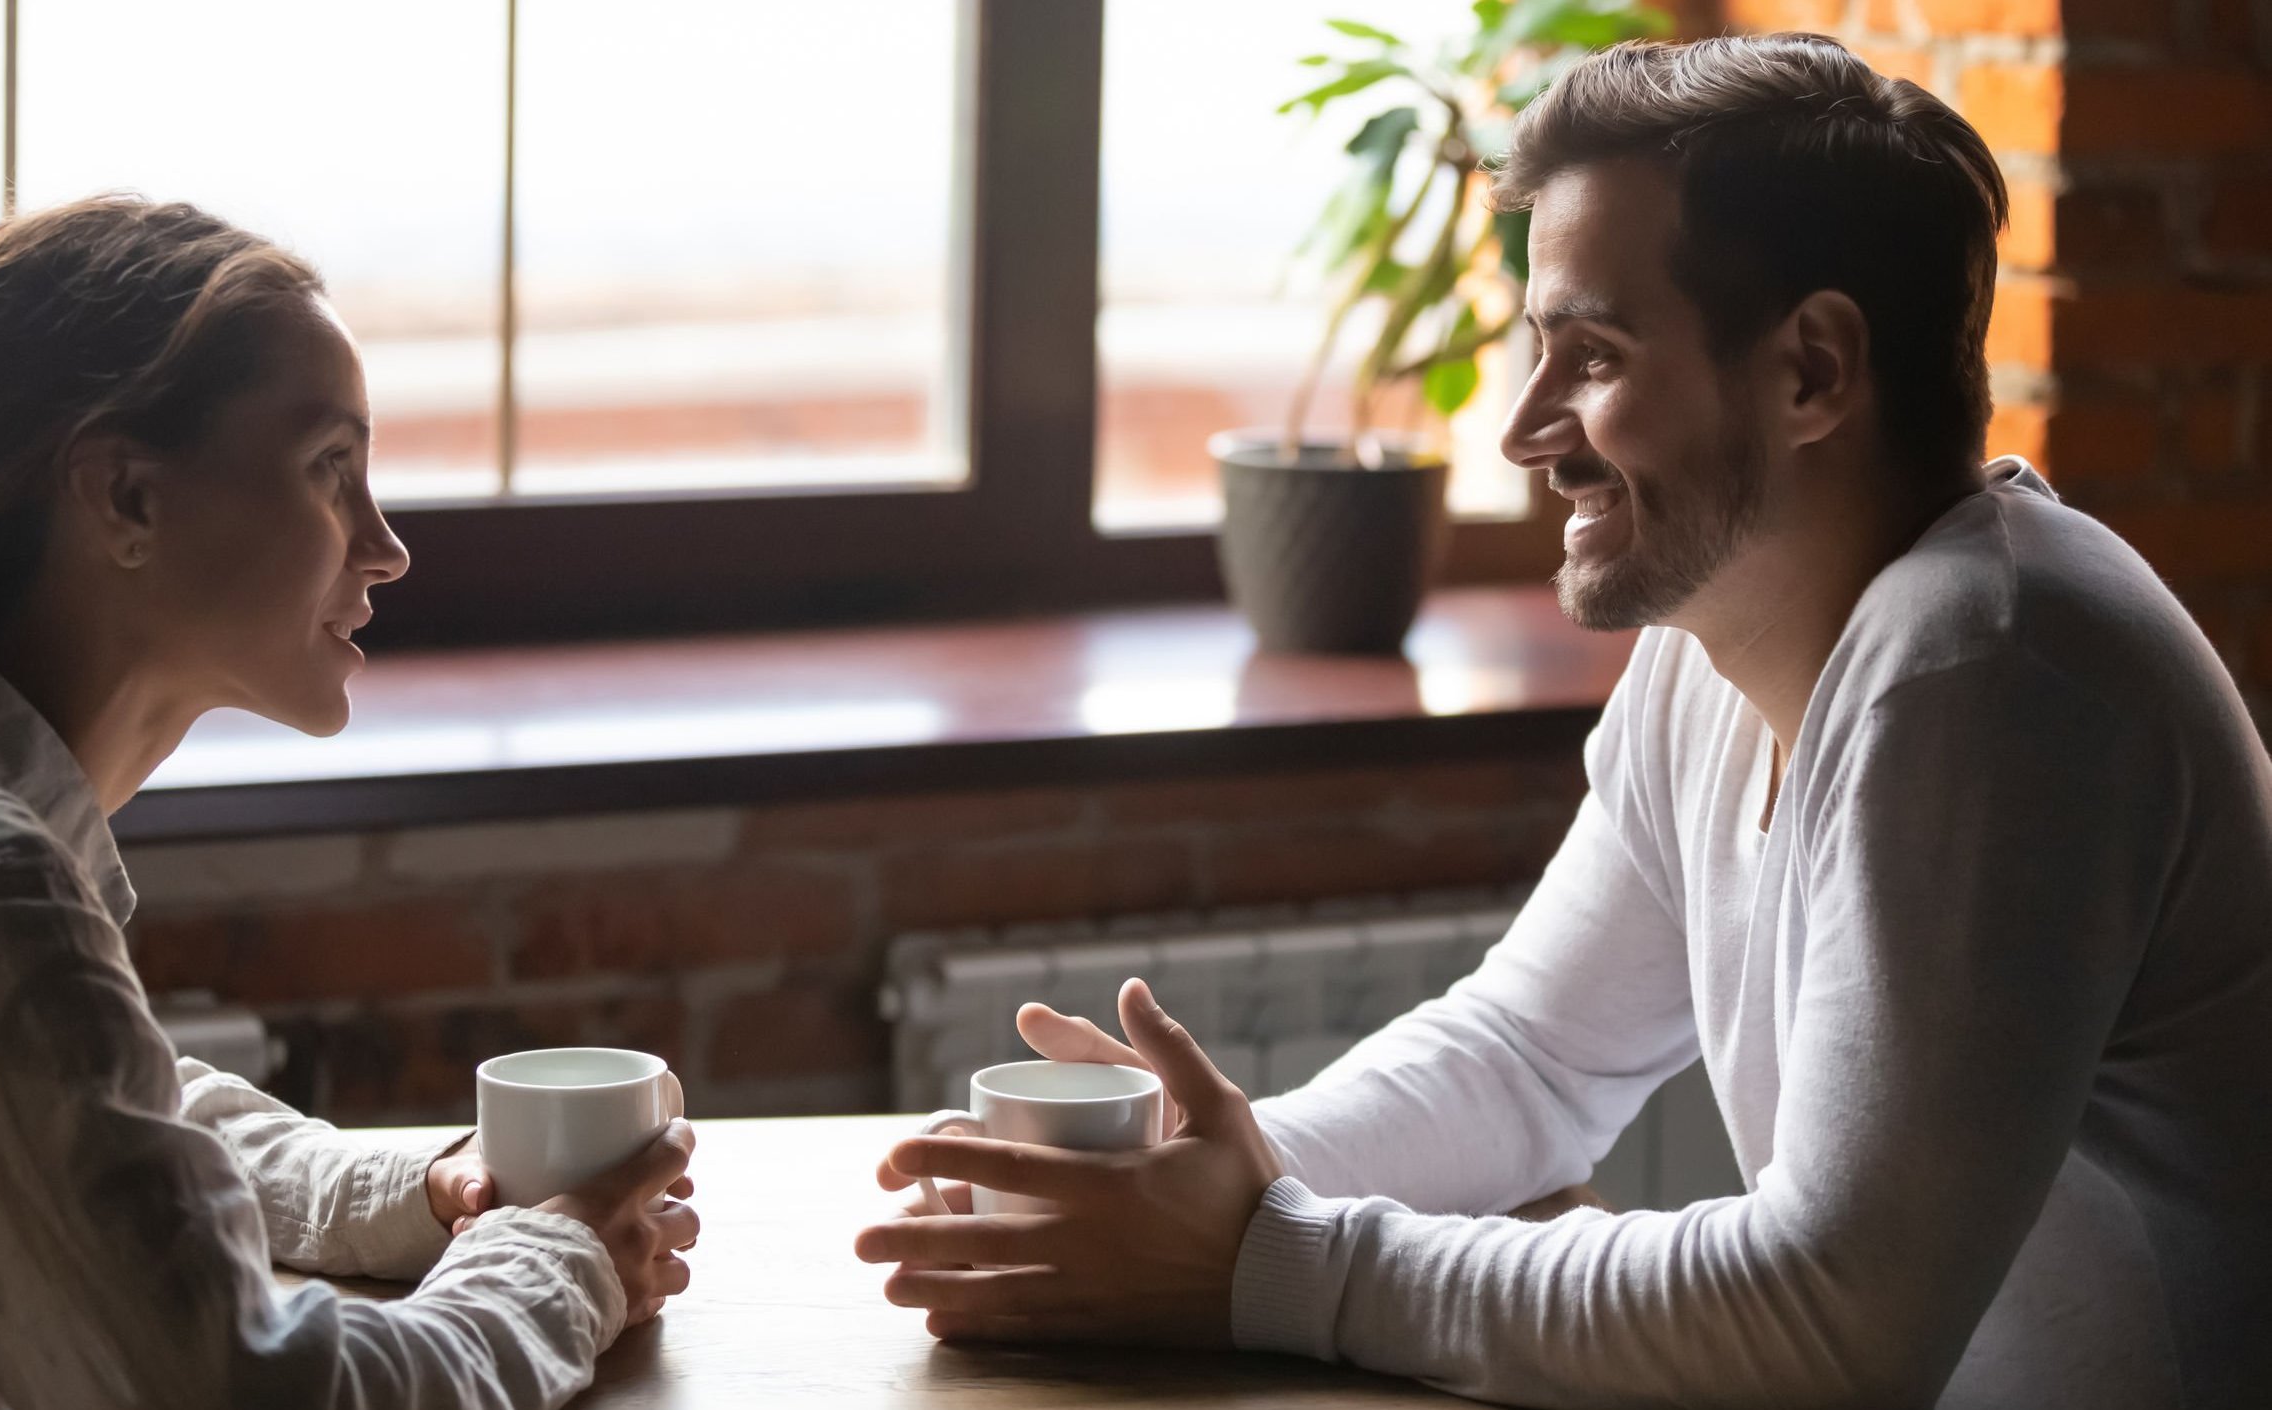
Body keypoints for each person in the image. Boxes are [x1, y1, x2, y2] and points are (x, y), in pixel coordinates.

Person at [857, 34, 2272, 1408]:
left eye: (1589, 355)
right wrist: (1215, 1173)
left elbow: (1837, 1318)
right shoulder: (1715, 639)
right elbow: (1531, 1053)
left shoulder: (1987, 664)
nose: (1525, 428)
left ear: (1813, 373)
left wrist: (1258, 1257)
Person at [0, 197, 699, 1409]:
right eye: (330, 468)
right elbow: (248, 1391)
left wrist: (427, 1196)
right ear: (125, 500)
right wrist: (563, 1260)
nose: (384, 545)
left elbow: (89, 1119)